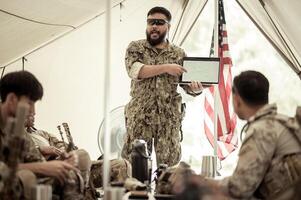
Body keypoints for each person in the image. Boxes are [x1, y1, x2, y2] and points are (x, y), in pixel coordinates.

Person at [121, 6, 204, 167]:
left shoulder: (178, 53)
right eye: (150, 22)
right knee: (136, 167)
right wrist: (167, 67)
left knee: (168, 170)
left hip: (168, 119)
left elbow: (187, 84)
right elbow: (135, 70)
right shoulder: (136, 48)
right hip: (140, 117)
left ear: (168, 27)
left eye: (159, 23)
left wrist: (197, 89)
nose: (154, 26)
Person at [206, 70, 301, 199]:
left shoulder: (261, 130)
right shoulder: (283, 121)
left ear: (237, 99)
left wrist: (202, 182)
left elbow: (239, 189)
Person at [0, 71, 85, 199]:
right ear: (12, 99)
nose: (33, 111)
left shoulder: (18, 130)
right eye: (29, 103)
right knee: (25, 177)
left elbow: (36, 160)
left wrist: (62, 163)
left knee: (68, 174)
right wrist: (39, 167)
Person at [25, 113, 131, 189]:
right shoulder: (15, 137)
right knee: (82, 155)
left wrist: (62, 151)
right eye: (30, 111)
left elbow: (60, 144)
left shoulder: (41, 134)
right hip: (53, 173)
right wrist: (42, 150)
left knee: (121, 165)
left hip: (72, 165)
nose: (33, 113)